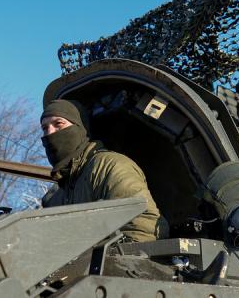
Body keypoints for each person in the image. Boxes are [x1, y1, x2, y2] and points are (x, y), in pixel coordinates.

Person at [39, 99, 169, 242]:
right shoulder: (55, 195)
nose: (50, 133)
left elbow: (142, 227)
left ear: (80, 128)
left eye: (58, 124)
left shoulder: (109, 166)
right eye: (45, 128)